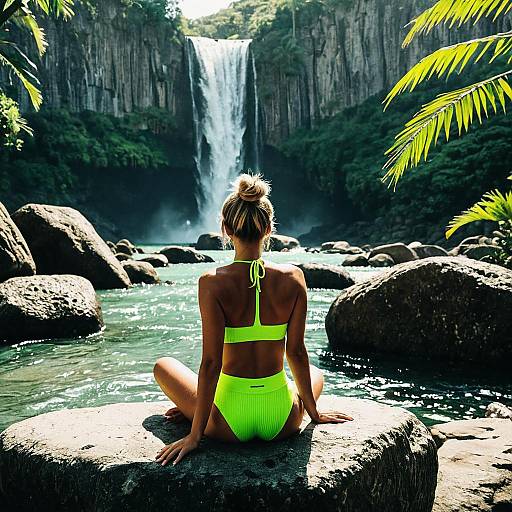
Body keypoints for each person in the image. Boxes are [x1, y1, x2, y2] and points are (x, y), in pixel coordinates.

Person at [154, 173, 353, 466]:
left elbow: (211, 364)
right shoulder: (294, 277)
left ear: (225, 229)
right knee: (314, 372)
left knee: (163, 365)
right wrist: (314, 414)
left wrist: (195, 434)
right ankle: (201, 406)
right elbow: (296, 352)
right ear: (270, 229)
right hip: (282, 421)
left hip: (225, 424)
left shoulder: (212, 283)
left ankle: (193, 409)